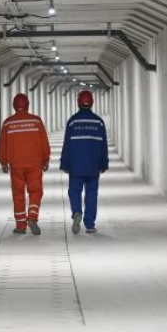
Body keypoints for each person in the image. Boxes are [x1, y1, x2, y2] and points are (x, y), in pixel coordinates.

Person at [0, 93, 51, 235]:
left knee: (18, 194)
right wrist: (45, 159)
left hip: (16, 165)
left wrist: (3, 162)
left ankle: (20, 226)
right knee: (36, 191)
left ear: (14, 105)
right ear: (28, 104)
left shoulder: (8, 123)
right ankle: (32, 217)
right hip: (34, 164)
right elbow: (44, 143)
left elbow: (3, 145)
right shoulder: (36, 121)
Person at [60, 89, 109, 234]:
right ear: (92, 102)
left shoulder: (73, 122)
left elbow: (67, 144)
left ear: (78, 102)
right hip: (93, 166)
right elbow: (103, 145)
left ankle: (76, 212)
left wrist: (65, 163)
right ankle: (90, 224)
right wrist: (104, 163)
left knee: (74, 191)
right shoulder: (99, 122)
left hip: (76, 166)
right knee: (92, 193)